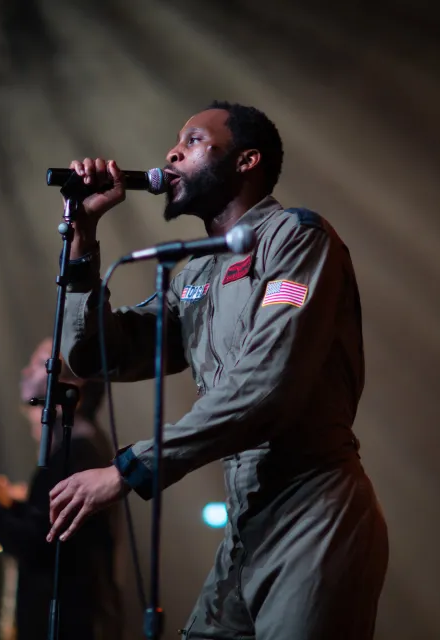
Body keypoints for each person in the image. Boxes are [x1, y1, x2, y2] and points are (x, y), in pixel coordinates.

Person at [44, 101, 389, 639]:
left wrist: (128, 468)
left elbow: (267, 388)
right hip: (247, 521)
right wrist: (84, 238)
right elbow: (96, 356)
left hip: (314, 509)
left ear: (247, 161)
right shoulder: (195, 273)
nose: (171, 153)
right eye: (175, 143)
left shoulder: (297, 239)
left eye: (194, 140)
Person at [0, 337, 121, 640]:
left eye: (39, 364)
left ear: (76, 387)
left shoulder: (76, 452)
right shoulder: (75, 446)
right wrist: (6, 504)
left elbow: (39, 544)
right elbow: (49, 525)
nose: (25, 373)